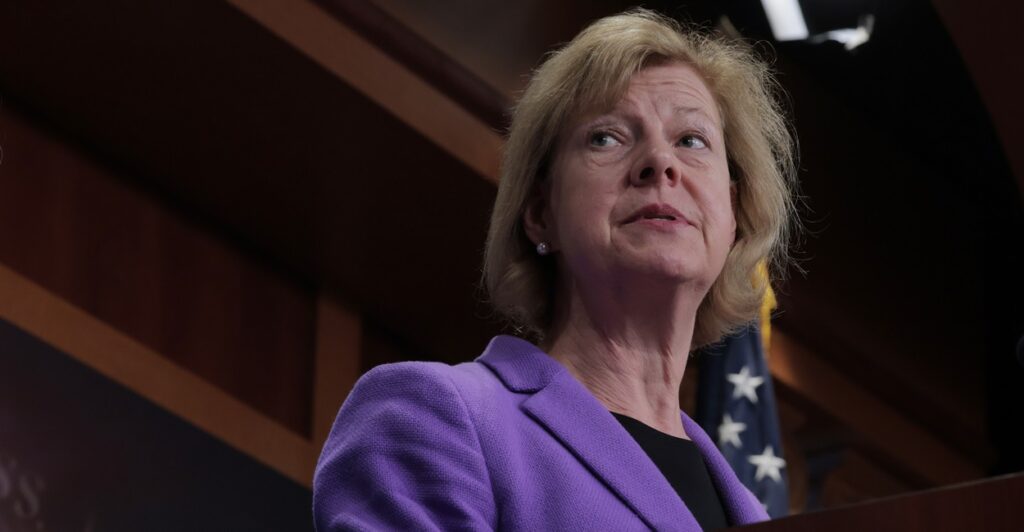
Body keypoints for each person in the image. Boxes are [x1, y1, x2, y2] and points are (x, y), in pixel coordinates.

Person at [314, 8, 797, 531]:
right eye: (607, 137)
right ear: (541, 213)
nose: (660, 161)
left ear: (732, 215)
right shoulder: (439, 418)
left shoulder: (757, 514)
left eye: (692, 140)